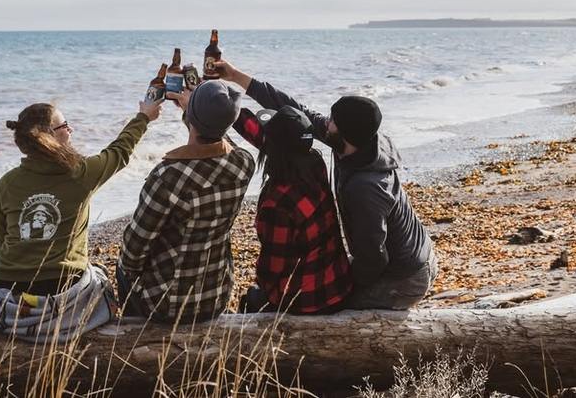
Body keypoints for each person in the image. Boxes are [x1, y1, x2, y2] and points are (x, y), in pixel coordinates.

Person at [216, 60, 437, 310]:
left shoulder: (365, 188)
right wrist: (235, 77)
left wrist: (340, 288)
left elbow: (374, 259)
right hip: (411, 252)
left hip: (405, 277)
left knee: (331, 303)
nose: (325, 122)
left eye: (332, 121)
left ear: (344, 135)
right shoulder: (359, 143)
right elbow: (292, 113)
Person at [0, 99, 161, 341]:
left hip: (8, 289)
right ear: (48, 137)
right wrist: (143, 117)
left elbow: (4, 242)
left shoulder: (8, 182)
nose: (70, 130)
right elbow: (119, 151)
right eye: (65, 126)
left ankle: (20, 319)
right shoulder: (80, 173)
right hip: (62, 289)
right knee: (99, 278)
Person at [117, 80, 256, 323]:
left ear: (193, 119)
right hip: (216, 297)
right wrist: (191, 112)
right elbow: (221, 143)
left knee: (122, 267)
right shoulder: (244, 165)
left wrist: (190, 112)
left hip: (166, 305)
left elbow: (133, 252)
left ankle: (135, 337)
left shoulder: (168, 177)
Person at [233, 104, 353, 314]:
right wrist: (224, 110)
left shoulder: (278, 203)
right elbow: (268, 140)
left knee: (250, 301)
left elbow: (272, 271)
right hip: (338, 284)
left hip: (308, 300)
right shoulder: (315, 163)